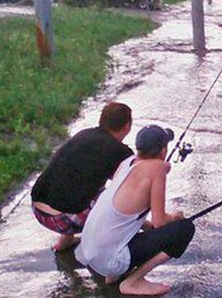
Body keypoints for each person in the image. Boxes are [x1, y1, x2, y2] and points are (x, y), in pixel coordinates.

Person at [75, 125, 195, 296]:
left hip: (89, 253)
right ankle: (133, 281)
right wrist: (176, 217)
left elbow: (123, 214)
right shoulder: (157, 169)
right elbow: (160, 222)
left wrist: (147, 226)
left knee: (144, 231)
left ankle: (115, 275)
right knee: (185, 228)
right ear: (163, 150)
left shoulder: (127, 163)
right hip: (108, 260)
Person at [31, 102, 134, 252]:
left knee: (83, 183)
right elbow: (133, 184)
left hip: (38, 208)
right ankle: (105, 249)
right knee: (117, 195)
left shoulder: (84, 134)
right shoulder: (121, 152)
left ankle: (66, 239)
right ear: (127, 127)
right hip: (63, 220)